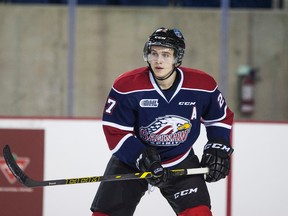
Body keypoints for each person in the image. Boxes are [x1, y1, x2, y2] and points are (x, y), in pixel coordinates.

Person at [90, 27, 234, 216]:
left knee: (199, 213)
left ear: (177, 58)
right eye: (154, 53)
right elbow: (116, 131)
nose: (158, 60)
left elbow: (219, 117)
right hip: (133, 162)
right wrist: (141, 157)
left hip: (179, 159)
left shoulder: (202, 85)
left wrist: (218, 146)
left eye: (166, 55)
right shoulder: (127, 86)